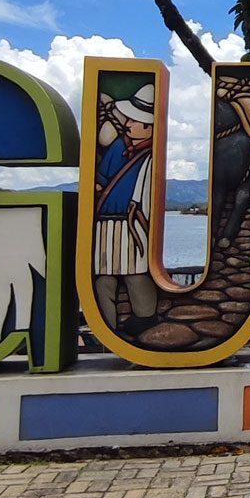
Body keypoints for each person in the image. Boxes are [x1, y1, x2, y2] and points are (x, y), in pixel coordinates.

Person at [93, 85, 158, 333]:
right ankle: (107, 327)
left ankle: (145, 316)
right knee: (104, 278)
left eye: (135, 120)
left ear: (150, 127)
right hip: (105, 224)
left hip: (132, 221)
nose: (128, 124)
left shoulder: (153, 156)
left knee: (136, 272)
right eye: (128, 118)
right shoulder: (118, 147)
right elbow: (101, 179)